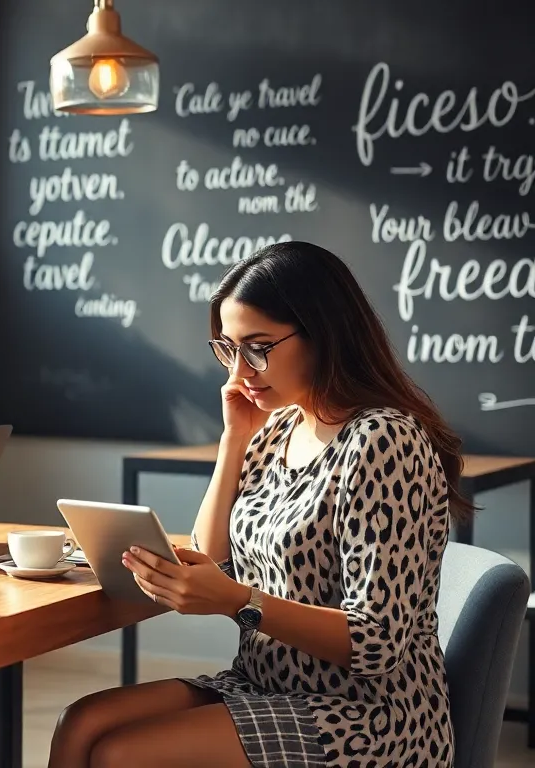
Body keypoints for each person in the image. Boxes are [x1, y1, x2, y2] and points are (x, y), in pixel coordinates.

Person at [48, 241, 467, 768]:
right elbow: (211, 557)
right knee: (80, 723)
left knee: (121, 754)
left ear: (323, 334)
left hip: (370, 716)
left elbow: (377, 642)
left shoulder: (383, 439)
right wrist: (234, 440)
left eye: (259, 347)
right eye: (229, 350)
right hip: (264, 683)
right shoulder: (279, 427)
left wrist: (237, 602)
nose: (241, 372)